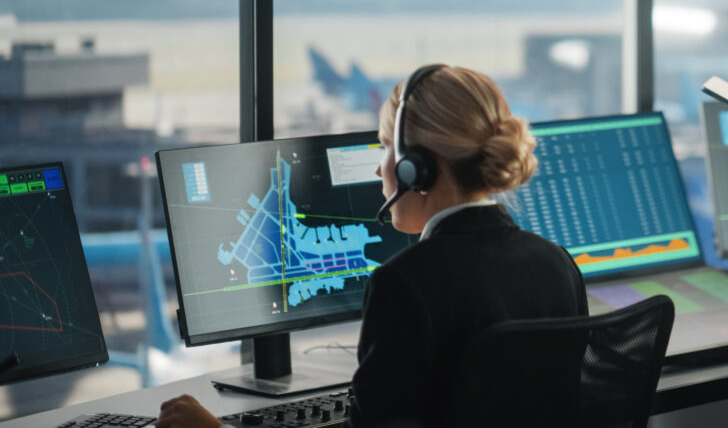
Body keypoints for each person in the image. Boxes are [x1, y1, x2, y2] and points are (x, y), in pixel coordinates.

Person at [156, 64, 587, 428]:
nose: (380, 167)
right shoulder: (557, 264)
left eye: (384, 148)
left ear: (414, 168)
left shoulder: (405, 284)